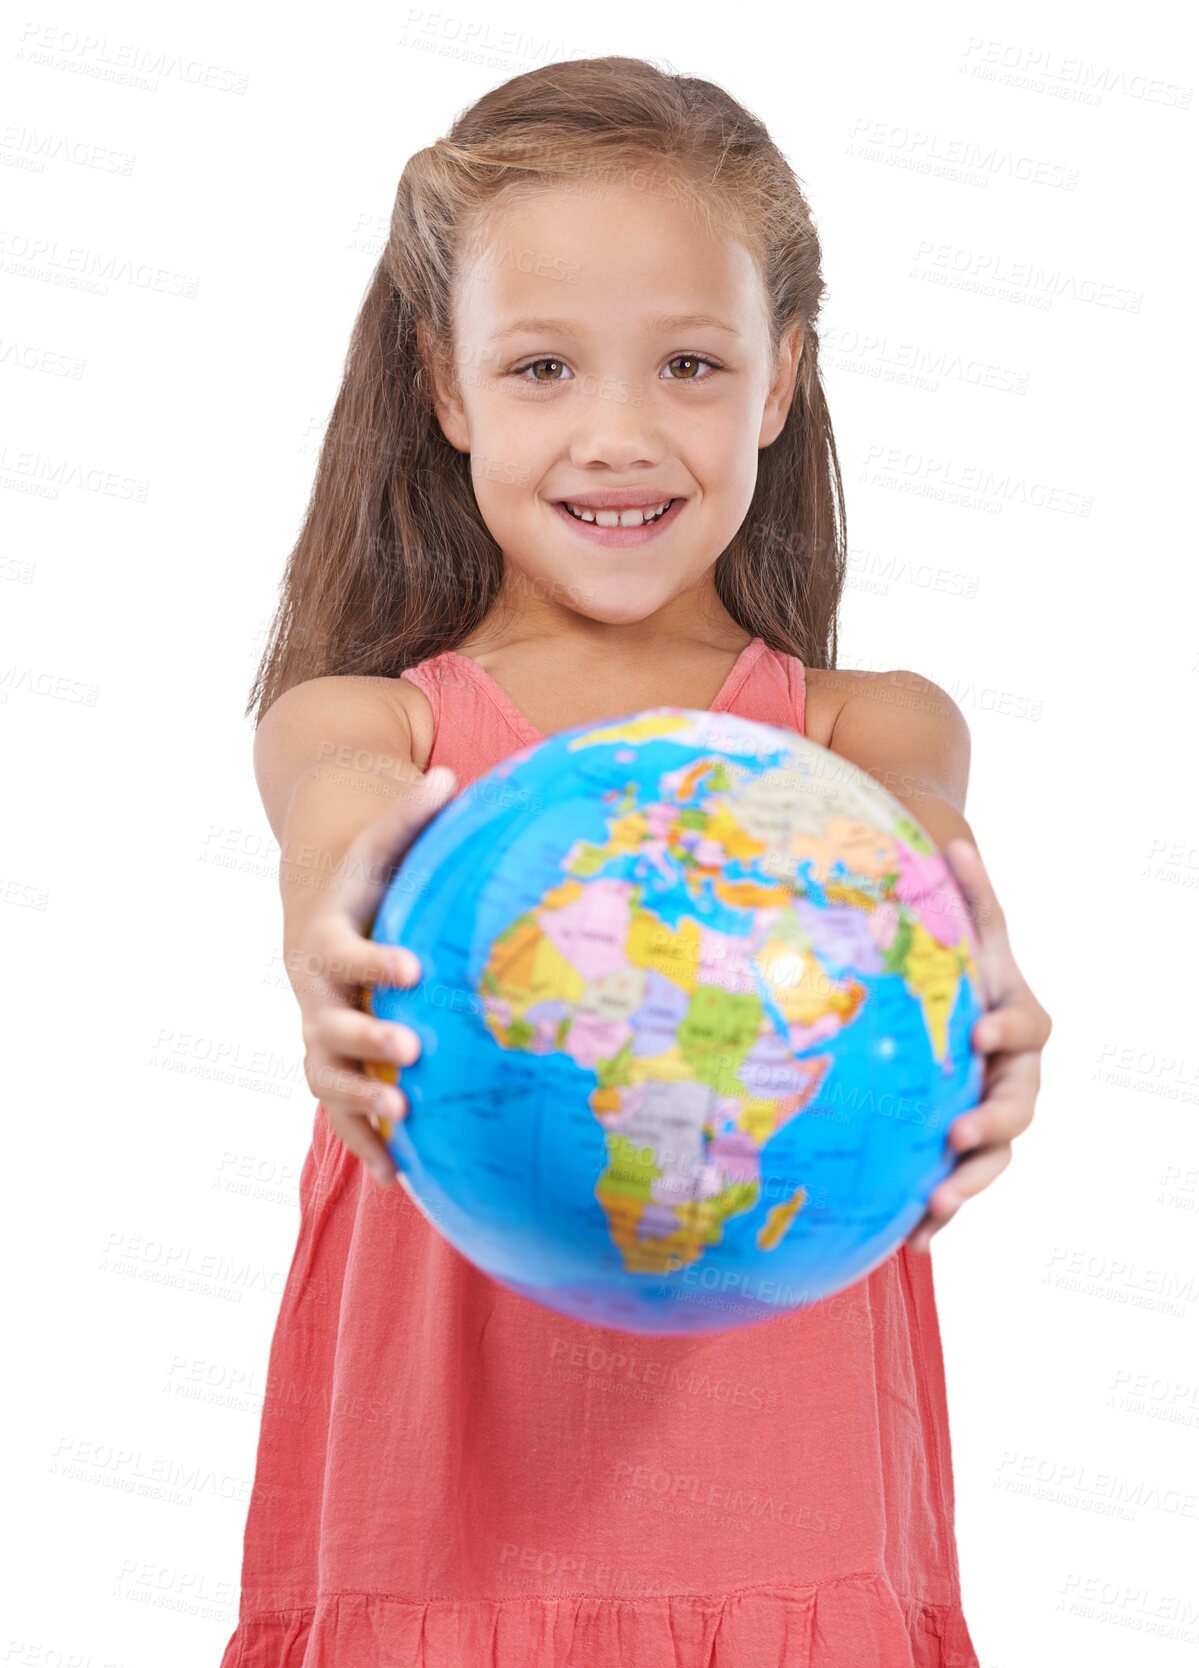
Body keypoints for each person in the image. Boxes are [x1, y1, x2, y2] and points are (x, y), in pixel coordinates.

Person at [219, 56, 1051, 1668]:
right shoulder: (373, 725)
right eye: (540, 367)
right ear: (445, 387)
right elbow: (331, 812)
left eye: (688, 361)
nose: (617, 434)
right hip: (444, 1541)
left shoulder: (863, 730)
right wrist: (332, 916)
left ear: (781, 378)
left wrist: (978, 953)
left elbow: (925, 834)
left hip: (788, 1521)